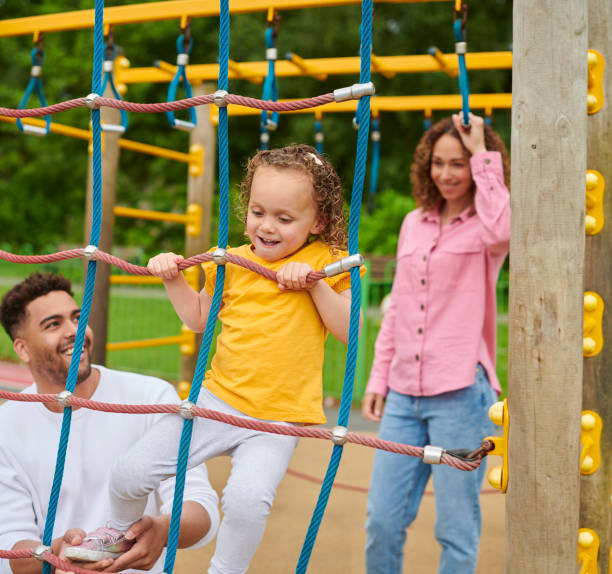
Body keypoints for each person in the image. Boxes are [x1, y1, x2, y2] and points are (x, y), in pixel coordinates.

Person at [67, 144, 364, 574]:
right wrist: (172, 279)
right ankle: (117, 529)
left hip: (279, 418)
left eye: (284, 218)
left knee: (246, 501)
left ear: (317, 221)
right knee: (129, 472)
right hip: (216, 401)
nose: (267, 226)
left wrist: (314, 285)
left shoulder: (328, 264)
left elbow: (349, 331)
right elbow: (199, 318)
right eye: (258, 211)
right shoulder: (233, 261)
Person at [362, 112, 510, 574]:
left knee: (456, 529)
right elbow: (400, 306)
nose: (446, 174)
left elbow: (503, 230)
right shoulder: (413, 223)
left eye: (458, 164)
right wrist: (379, 377)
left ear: (476, 168)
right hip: (404, 395)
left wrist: (482, 150)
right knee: (382, 521)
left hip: (461, 394)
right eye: (438, 163)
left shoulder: (487, 228)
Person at [0, 272, 220, 574]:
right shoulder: (7, 425)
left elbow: (200, 507)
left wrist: (161, 530)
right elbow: (10, 544)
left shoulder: (150, 397)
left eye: (77, 318)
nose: (74, 331)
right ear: (22, 349)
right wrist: (53, 555)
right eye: (53, 324)